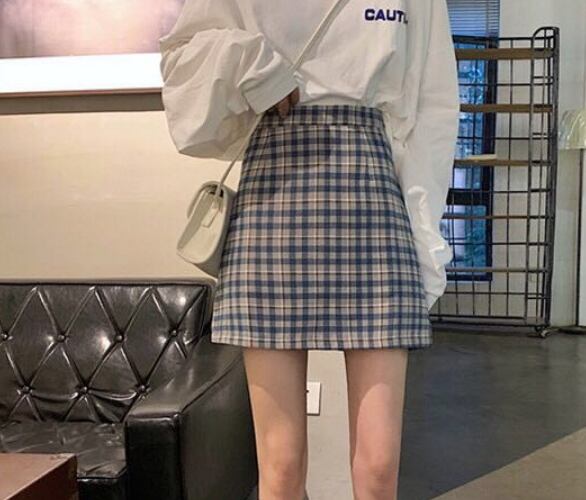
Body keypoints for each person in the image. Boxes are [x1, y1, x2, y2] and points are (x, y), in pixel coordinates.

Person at [158, 1, 460, 499]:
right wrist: (251, 62)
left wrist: (426, 239)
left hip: (373, 191)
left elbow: (434, 107)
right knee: (280, 466)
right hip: (272, 192)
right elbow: (182, 61)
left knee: (379, 466)